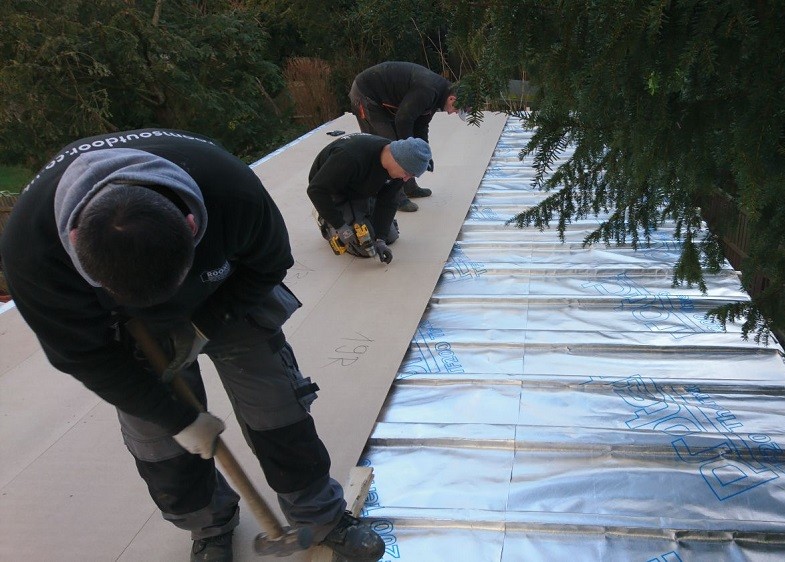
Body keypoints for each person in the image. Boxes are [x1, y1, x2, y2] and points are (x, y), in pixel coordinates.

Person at [0, 130, 385, 562]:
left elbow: (271, 263)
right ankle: (210, 527)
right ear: (74, 245)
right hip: (129, 331)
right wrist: (177, 418)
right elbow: (83, 355)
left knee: (277, 403)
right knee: (160, 442)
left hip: (222, 294)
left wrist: (206, 322)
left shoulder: (229, 191)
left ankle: (320, 515)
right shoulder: (32, 251)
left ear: (191, 225)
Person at [349, 61, 464, 212]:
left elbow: (420, 126)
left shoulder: (436, 96)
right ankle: (396, 198)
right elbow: (403, 120)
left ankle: (410, 188)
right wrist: (408, 151)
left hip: (380, 98)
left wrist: (425, 155)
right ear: (452, 99)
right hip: (366, 94)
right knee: (389, 148)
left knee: (402, 148)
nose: (453, 113)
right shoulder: (428, 90)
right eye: (456, 110)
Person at [307, 133, 431, 261]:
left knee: (389, 237)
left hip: (360, 186)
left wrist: (381, 239)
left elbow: (389, 200)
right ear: (395, 159)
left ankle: (361, 213)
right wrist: (340, 226)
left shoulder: (400, 167)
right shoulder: (350, 156)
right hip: (333, 189)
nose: (406, 179)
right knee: (363, 247)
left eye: (411, 176)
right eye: (406, 173)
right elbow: (316, 190)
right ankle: (324, 219)